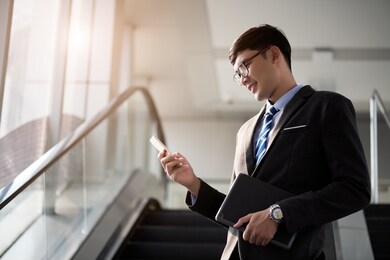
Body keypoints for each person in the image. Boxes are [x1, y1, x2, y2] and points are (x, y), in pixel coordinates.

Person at [158, 24, 371, 260]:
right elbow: (236, 214)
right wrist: (193, 185)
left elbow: (355, 188)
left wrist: (277, 214)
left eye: (244, 67)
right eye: (237, 75)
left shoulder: (326, 107)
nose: (242, 80)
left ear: (273, 54)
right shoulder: (245, 131)